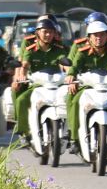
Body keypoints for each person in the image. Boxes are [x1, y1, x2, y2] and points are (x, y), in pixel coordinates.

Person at [65, 15, 107, 157]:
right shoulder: (82, 52)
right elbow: (74, 67)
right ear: (89, 37)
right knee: (75, 100)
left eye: (102, 35)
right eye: (95, 35)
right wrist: (71, 76)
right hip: (88, 87)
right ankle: (74, 139)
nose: (98, 38)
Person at [13, 15, 67, 144]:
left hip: (56, 83)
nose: (48, 35)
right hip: (36, 83)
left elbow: (65, 63)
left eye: (50, 31)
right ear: (38, 32)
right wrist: (20, 76)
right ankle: (23, 129)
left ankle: (68, 131)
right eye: (45, 31)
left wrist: (70, 75)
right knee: (21, 99)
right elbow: (24, 64)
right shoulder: (29, 46)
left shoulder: (59, 47)